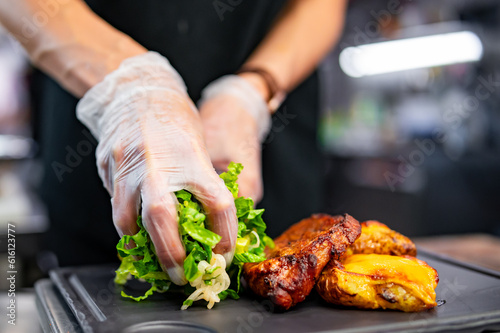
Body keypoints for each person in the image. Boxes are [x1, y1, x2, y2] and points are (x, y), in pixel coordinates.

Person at [0, 0, 346, 285]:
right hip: (90, 152)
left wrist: (253, 90)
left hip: (276, 152)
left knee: (282, 284)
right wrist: (130, 86)